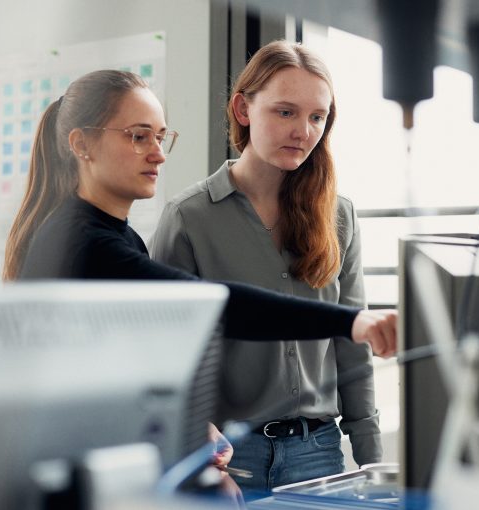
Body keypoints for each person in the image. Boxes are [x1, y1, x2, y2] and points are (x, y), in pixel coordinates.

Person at [1, 69, 396, 492]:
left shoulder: (118, 236)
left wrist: (198, 441)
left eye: (160, 136)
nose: (158, 154)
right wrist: (351, 322)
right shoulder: (82, 244)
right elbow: (210, 306)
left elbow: (144, 365)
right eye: (138, 136)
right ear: (80, 144)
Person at [150, 40, 381, 496]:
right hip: (230, 458)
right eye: (285, 112)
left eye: (318, 117)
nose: (303, 131)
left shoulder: (340, 215)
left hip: (320, 451)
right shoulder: (190, 217)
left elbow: (353, 345)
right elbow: (166, 352)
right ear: (242, 109)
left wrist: (376, 462)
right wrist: (203, 457)